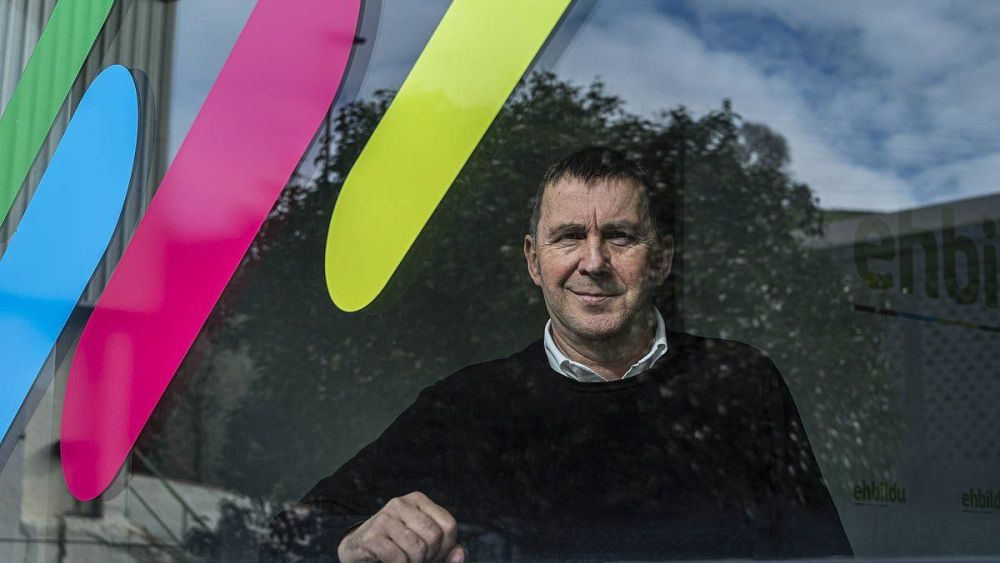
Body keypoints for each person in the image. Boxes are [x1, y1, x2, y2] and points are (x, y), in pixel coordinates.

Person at [260, 148, 852, 562]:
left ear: (662, 260)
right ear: (533, 260)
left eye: (620, 236)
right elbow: (288, 538)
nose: (593, 262)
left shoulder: (739, 383)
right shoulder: (467, 405)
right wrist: (351, 542)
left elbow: (825, 556)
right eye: (569, 236)